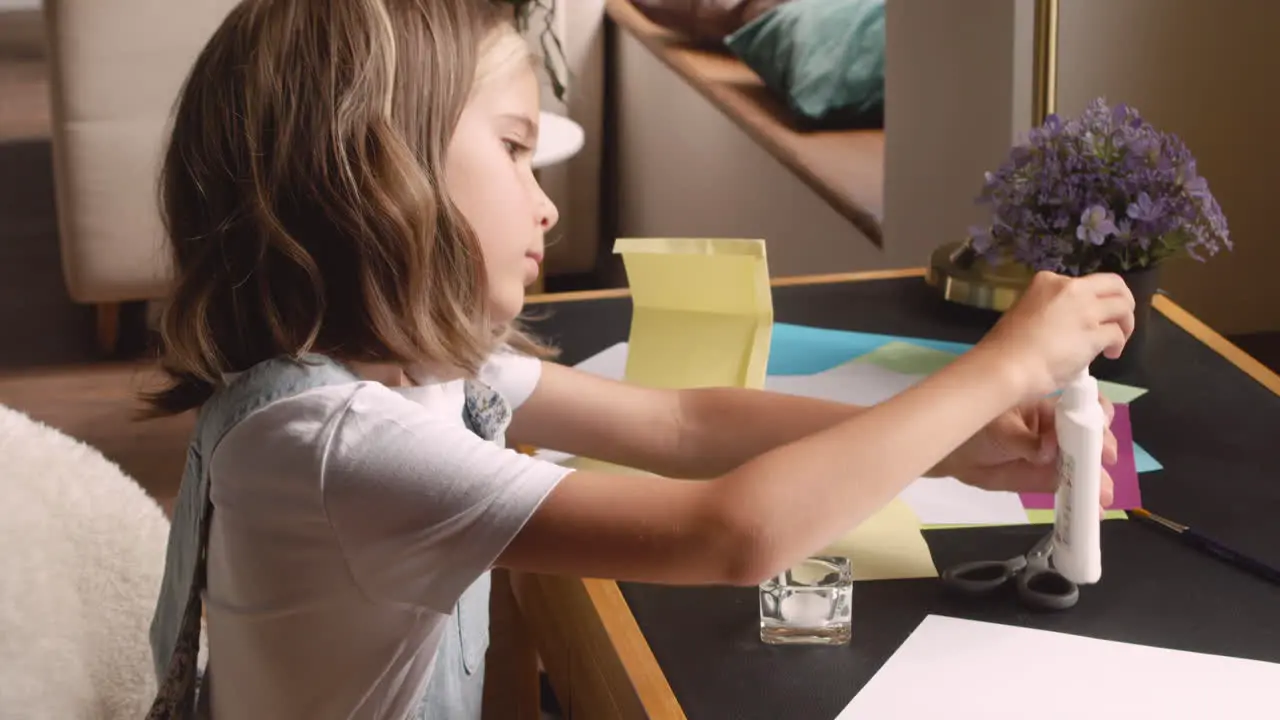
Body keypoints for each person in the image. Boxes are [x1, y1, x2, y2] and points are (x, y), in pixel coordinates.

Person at [144, 1, 1135, 718]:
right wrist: (998, 368)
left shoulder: (415, 369)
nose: (544, 204)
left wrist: (955, 446)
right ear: (377, 168)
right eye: (514, 149)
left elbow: (683, 424)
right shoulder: (338, 444)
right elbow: (728, 533)